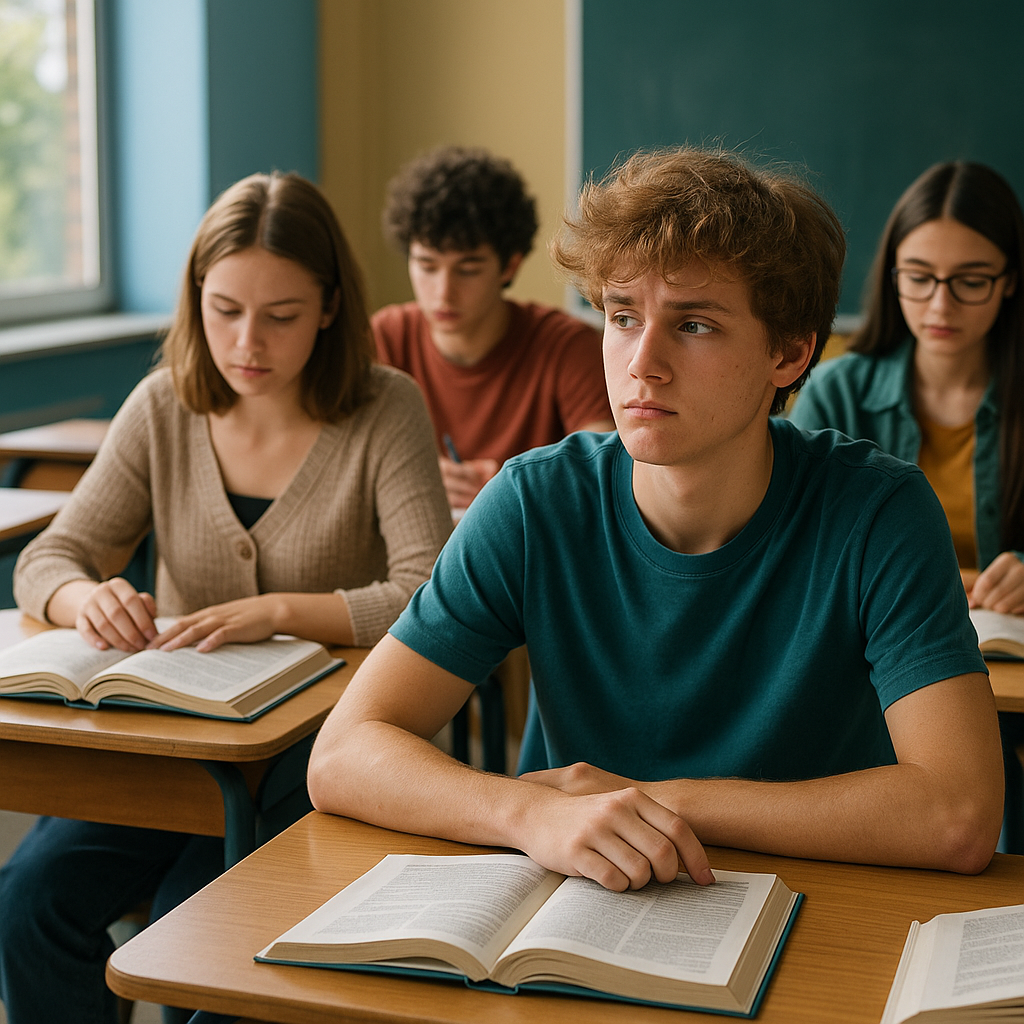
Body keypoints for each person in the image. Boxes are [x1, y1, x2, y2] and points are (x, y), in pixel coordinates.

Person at [307, 148, 1004, 894]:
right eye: (622, 315)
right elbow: (342, 754)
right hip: (578, 906)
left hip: (808, 914)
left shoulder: (880, 512)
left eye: (694, 324)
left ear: (791, 352)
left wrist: (662, 802)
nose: (643, 362)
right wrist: (525, 815)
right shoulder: (535, 501)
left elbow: (959, 814)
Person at [0, 171, 452, 1024]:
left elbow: (430, 595)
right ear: (194, 299)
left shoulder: (385, 408)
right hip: (169, 750)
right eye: (224, 309)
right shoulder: (164, 405)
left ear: (328, 307)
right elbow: (52, 555)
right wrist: (83, 598)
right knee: (24, 907)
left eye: (282, 315)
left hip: (311, 751)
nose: (248, 341)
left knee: (189, 938)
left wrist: (282, 610)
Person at [790, 162, 1024, 612]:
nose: (941, 305)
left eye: (971, 282)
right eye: (918, 278)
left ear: (1010, 281)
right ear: (892, 276)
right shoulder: (837, 394)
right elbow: (797, 547)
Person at [373, 145, 614, 510]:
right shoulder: (387, 337)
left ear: (510, 266)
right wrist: (410, 476)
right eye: (426, 266)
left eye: (468, 269)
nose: (443, 292)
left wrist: (511, 485)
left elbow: (604, 469)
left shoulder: (565, 344)